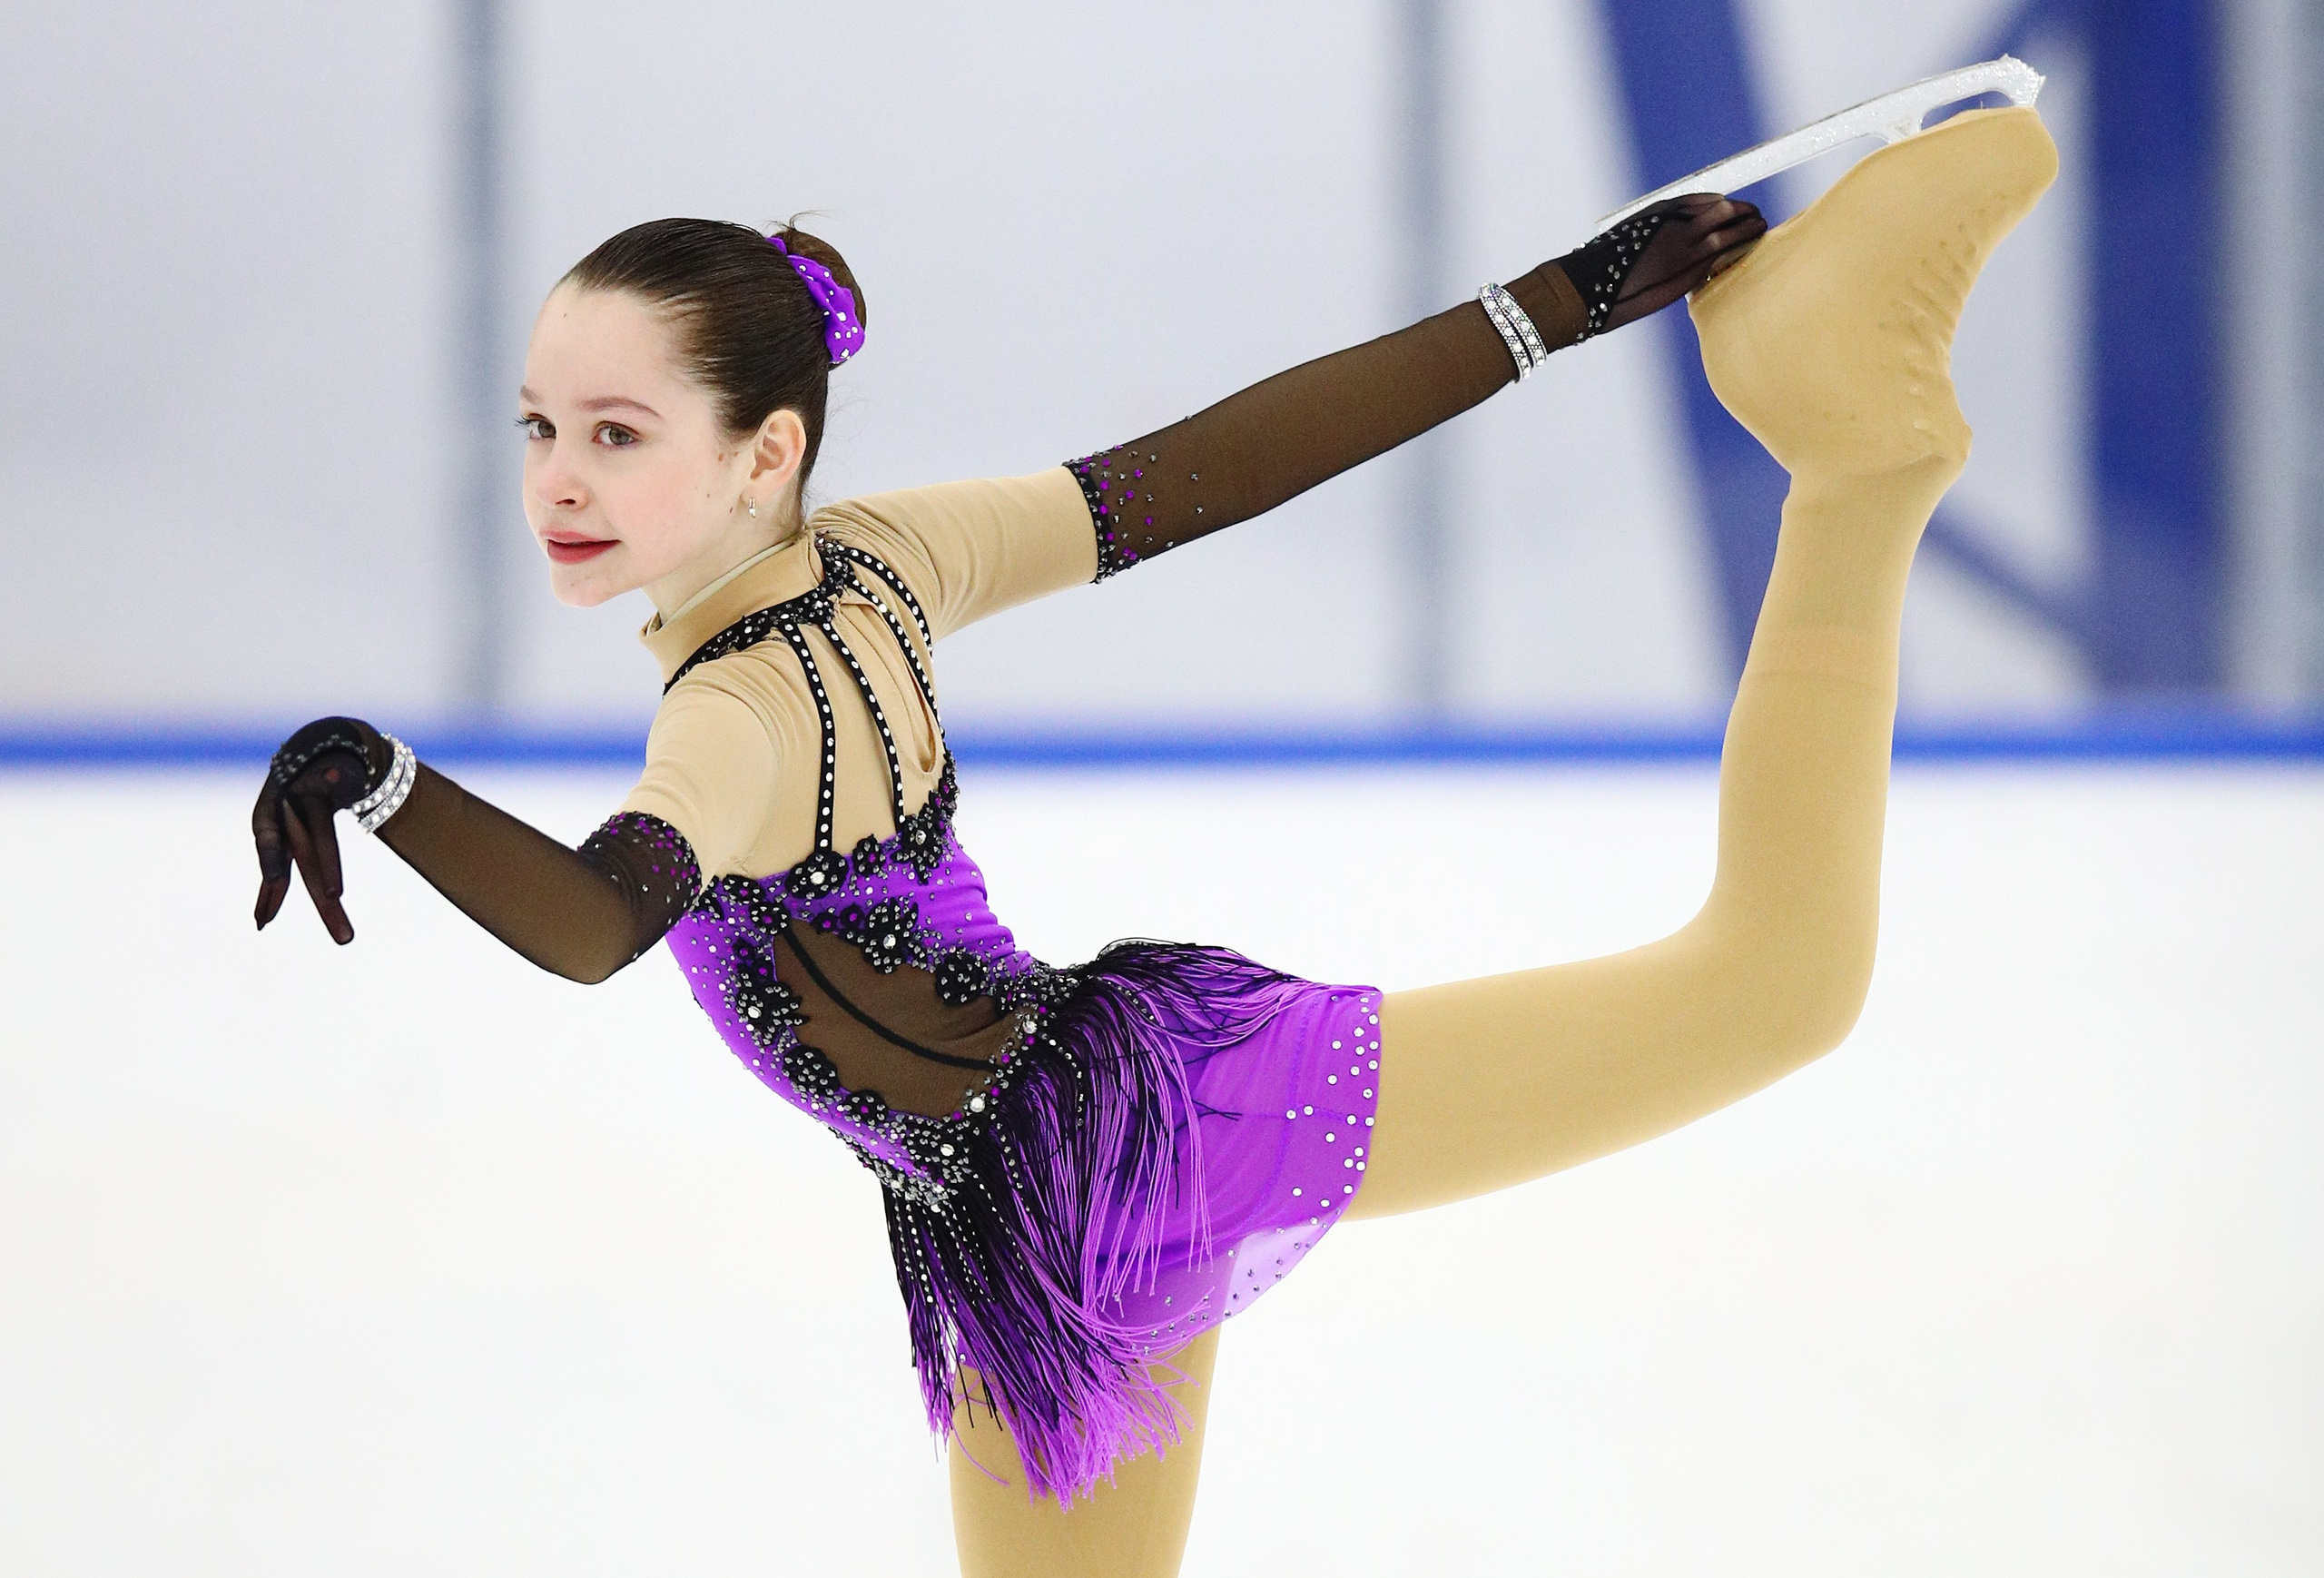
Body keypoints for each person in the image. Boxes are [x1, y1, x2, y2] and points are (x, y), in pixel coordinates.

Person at [251, 104, 2056, 1578]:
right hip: (1043, 1221)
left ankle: (1854, 454)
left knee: (1769, 979)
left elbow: (589, 923)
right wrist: (1553, 304)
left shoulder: (732, 715)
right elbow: (1205, 469)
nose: (556, 476)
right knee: (1765, 986)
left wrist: (384, 781)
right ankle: (1841, 449)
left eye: (616, 432)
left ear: (758, 452)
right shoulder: (884, 553)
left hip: (1144, 1144)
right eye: (541, 427)